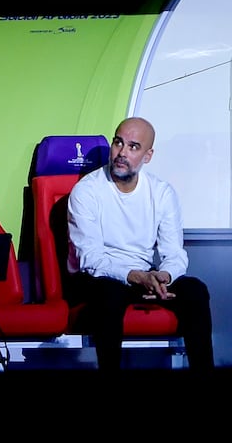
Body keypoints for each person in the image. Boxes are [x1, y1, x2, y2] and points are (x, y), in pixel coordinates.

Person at [66, 116, 214, 371]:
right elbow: (90, 258)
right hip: (97, 278)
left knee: (195, 290)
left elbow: (175, 254)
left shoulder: (162, 193)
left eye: (133, 147)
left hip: (144, 275)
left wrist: (163, 276)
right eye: (118, 143)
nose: (121, 153)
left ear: (148, 155)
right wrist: (135, 277)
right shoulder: (87, 191)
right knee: (109, 294)